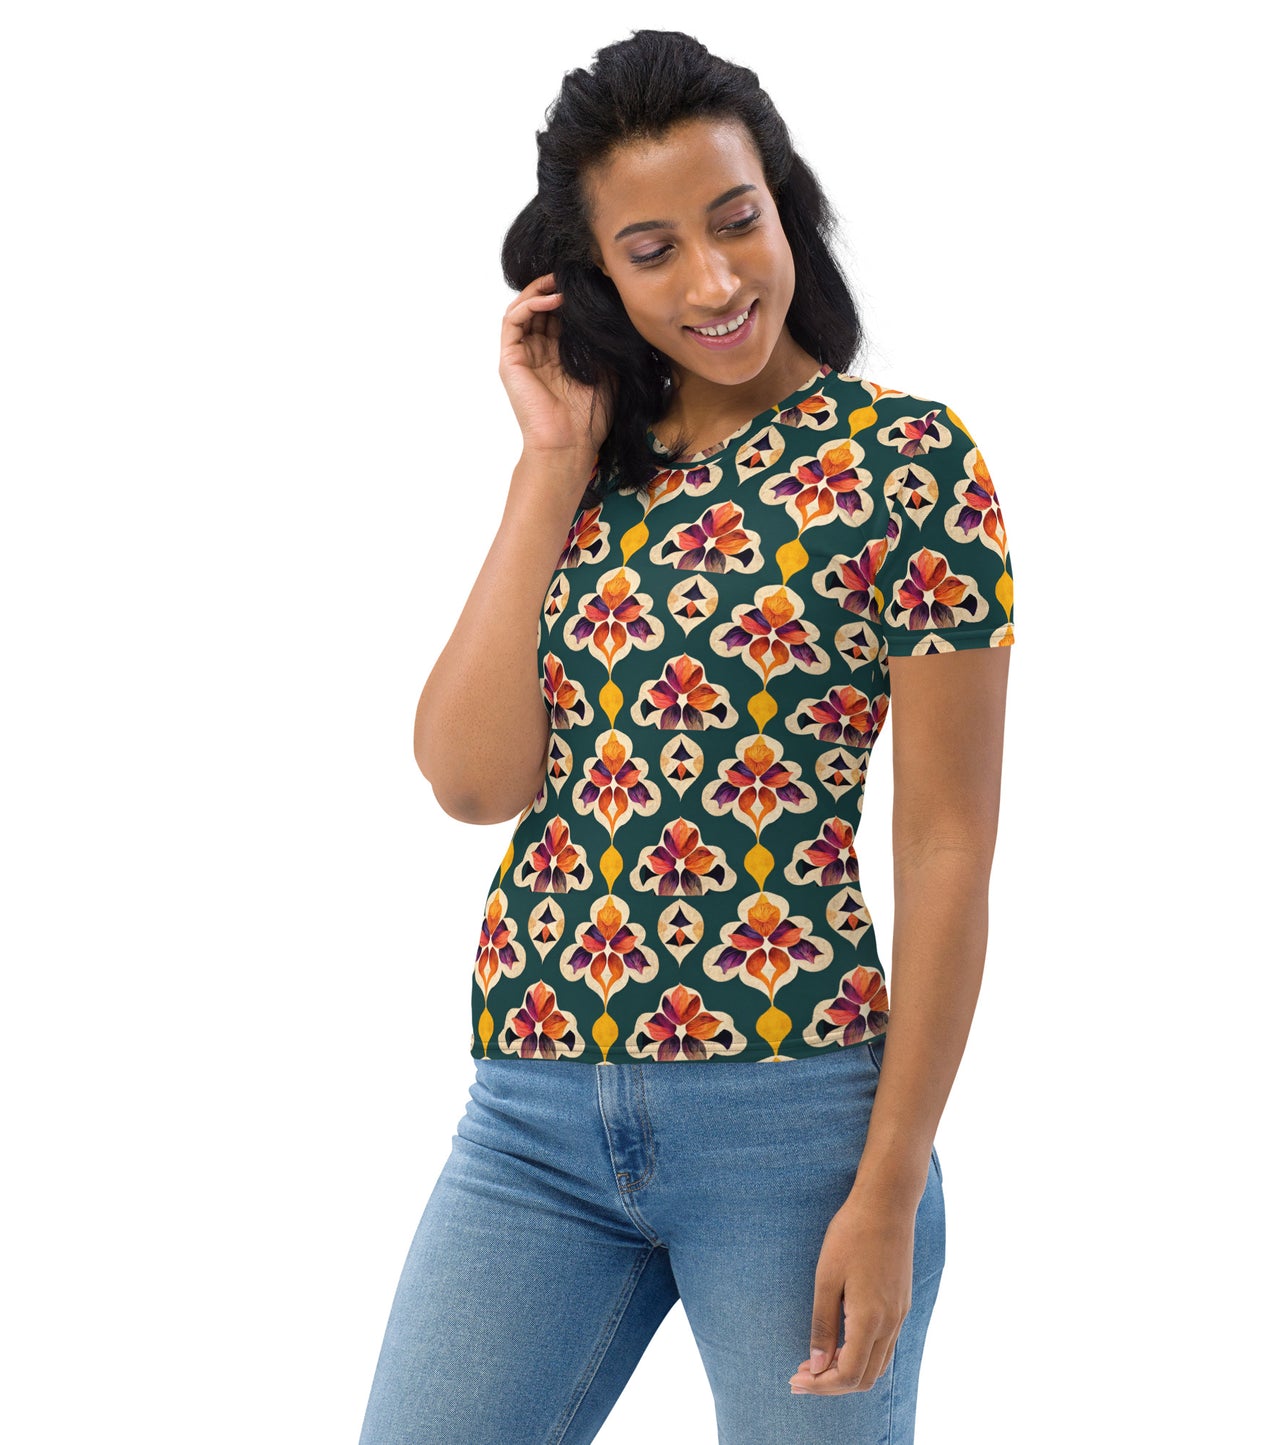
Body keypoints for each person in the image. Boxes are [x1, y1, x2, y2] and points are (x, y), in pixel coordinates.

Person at [358, 28, 1014, 1445]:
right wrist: (549, 462)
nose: (714, 282)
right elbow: (470, 779)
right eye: (652, 252)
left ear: (785, 206)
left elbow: (948, 844)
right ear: (597, 276)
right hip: (531, 1109)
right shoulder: (590, 475)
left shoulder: (908, 464)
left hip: (795, 1122)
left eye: (736, 221)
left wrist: (889, 1181)